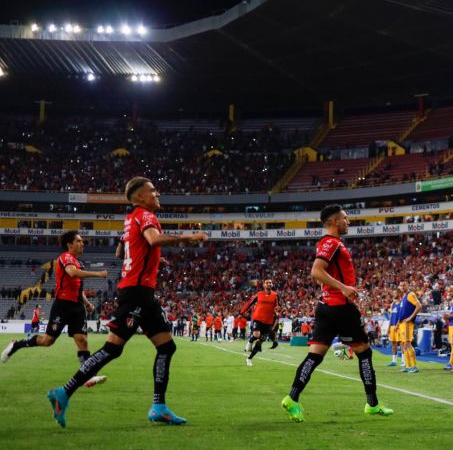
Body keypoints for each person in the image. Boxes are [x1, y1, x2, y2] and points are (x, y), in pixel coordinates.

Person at [45, 176, 208, 428]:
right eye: (153, 191)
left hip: (141, 292)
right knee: (113, 349)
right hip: (137, 293)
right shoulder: (145, 215)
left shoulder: (131, 218)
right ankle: (63, 392)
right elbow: (153, 240)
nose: (157, 194)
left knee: (166, 347)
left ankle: (159, 406)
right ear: (140, 197)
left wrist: (154, 260)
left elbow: (124, 251)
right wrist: (190, 237)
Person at [281, 205, 393, 422]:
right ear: (334, 222)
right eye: (345, 218)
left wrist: (343, 287)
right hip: (340, 307)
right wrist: (342, 288)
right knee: (364, 353)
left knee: (314, 356)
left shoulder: (330, 243)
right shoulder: (332, 243)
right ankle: (372, 404)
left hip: (326, 307)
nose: (348, 221)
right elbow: (316, 271)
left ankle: (292, 398)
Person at [2, 231, 109, 391]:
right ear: (70, 244)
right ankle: (17, 345)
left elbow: (77, 288)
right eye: (79, 241)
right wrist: (98, 274)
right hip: (63, 305)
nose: (82, 243)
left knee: (82, 341)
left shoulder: (78, 262)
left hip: (77, 307)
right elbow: (72, 273)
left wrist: (86, 303)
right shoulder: (66, 258)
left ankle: (89, 375)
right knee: (48, 341)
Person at [241, 279, 279, 367]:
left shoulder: (276, 295)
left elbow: (277, 307)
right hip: (258, 318)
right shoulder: (259, 294)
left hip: (268, 321)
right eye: (267, 283)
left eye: (270, 283)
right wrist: (242, 312)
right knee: (257, 335)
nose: (269, 284)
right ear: (264, 285)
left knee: (260, 342)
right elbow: (249, 303)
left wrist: (277, 313)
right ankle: (250, 341)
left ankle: (249, 358)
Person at [397, 280, 421, 374]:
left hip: (407, 323)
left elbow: (419, 306)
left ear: (407, 285)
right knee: (404, 345)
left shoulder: (411, 294)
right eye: (401, 285)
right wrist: (398, 323)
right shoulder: (404, 297)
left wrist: (410, 317)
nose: (402, 287)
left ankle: (414, 366)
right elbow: (402, 312)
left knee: (407, 343)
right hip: (402, 324)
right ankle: (408, 366)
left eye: (404, 285)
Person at [385, 289, 401, 367]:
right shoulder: (393, 304)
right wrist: (388, 327)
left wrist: (398, 325)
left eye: (395, 293)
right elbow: (391, 316)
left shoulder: (401, 303)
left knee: (402, 343)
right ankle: (394, 361)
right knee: (393, 343)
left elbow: (402, 316)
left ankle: (403, 361)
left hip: (399, 326)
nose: (394, 294)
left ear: (399, 293)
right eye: (393, 293)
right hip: (392, 326)